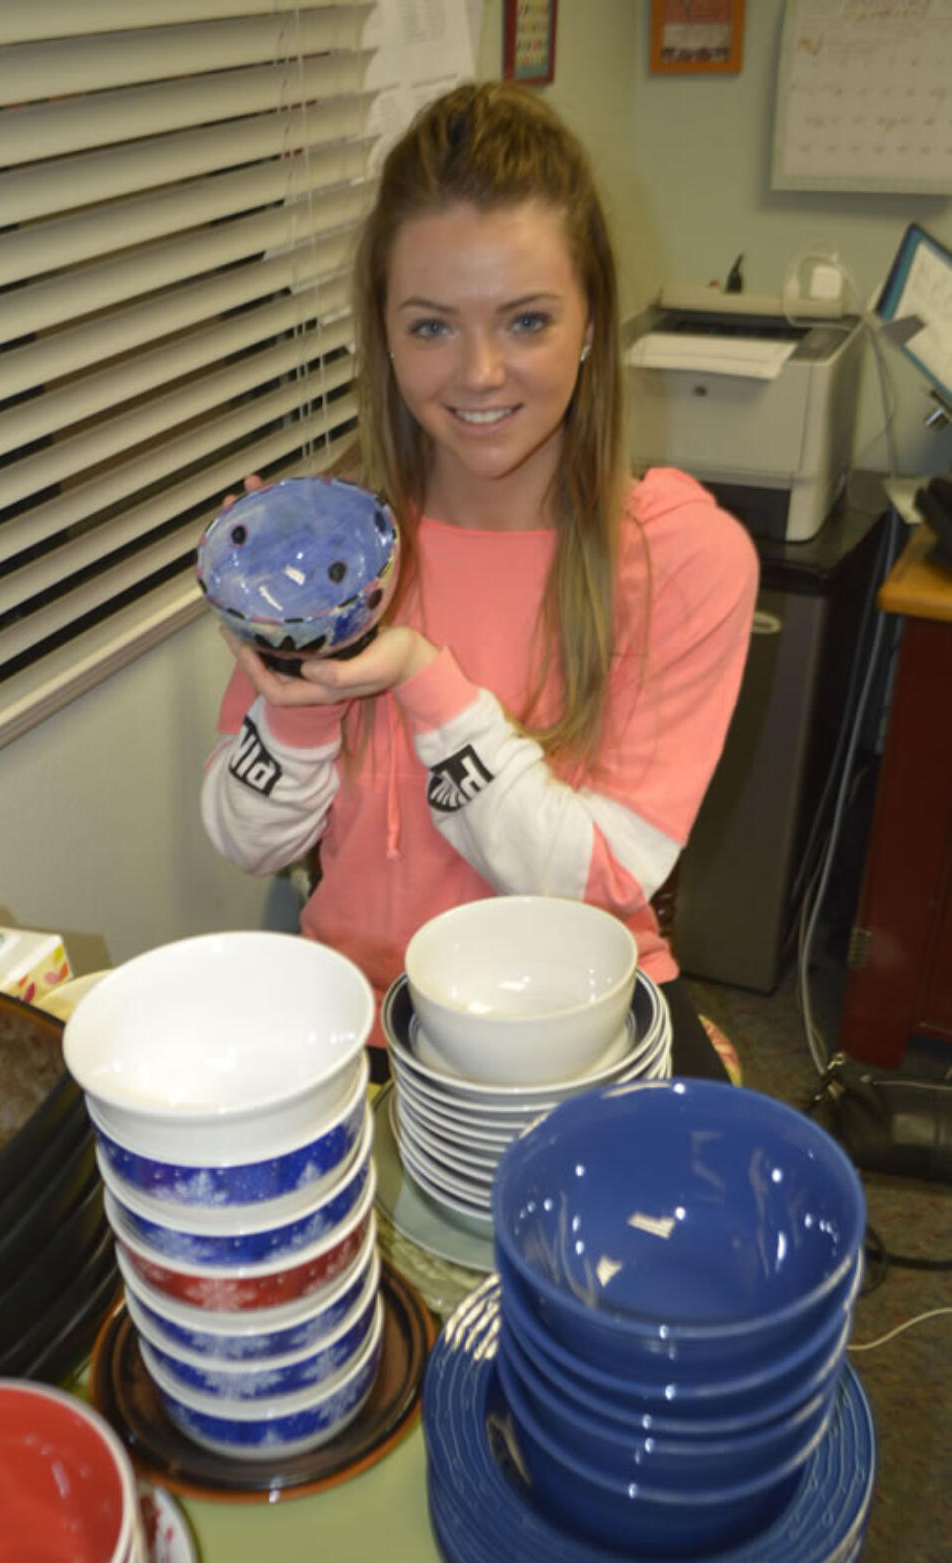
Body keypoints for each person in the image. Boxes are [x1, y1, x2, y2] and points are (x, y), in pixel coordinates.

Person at [200, 81, 757, 1080]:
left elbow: (598, 883)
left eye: (526, 320)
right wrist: (296, 700)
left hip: (568, 1018)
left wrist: (418, 675)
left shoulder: (679, 558)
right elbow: (244, 839)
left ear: (590, 318)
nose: (480, 374)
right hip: (363, 1023)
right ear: (381, 330)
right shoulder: (337, 538)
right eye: (430, 327)